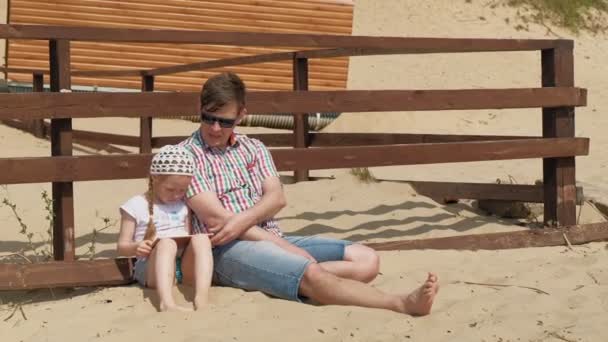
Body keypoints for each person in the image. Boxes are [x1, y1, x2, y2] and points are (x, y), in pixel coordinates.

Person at [181, 72, 439, 315]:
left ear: (241, 115)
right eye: (208, 118)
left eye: (224, 121)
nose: (215, 128)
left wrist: (262, 231)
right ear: (199, 111)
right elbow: (218, 222)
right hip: (225, 249)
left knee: (366, 259)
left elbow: (277, 198)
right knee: (309, 272)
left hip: (271, 235)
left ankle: (288, 275)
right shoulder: (185, 156)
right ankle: (400, 303)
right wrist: (286, 249)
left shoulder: (253, 147)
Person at [117, 145, 213, 312]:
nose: (176, 195)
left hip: (181, 268)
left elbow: (187, 234)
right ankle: (166, 302)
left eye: (182, 190)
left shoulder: (183, 204)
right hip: (151, 269)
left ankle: (202, 297)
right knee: (167, 243)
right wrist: (136, 247)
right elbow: (122, 247)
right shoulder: (136, 205)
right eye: (170, 189)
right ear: (155, 178)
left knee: (201, 238)